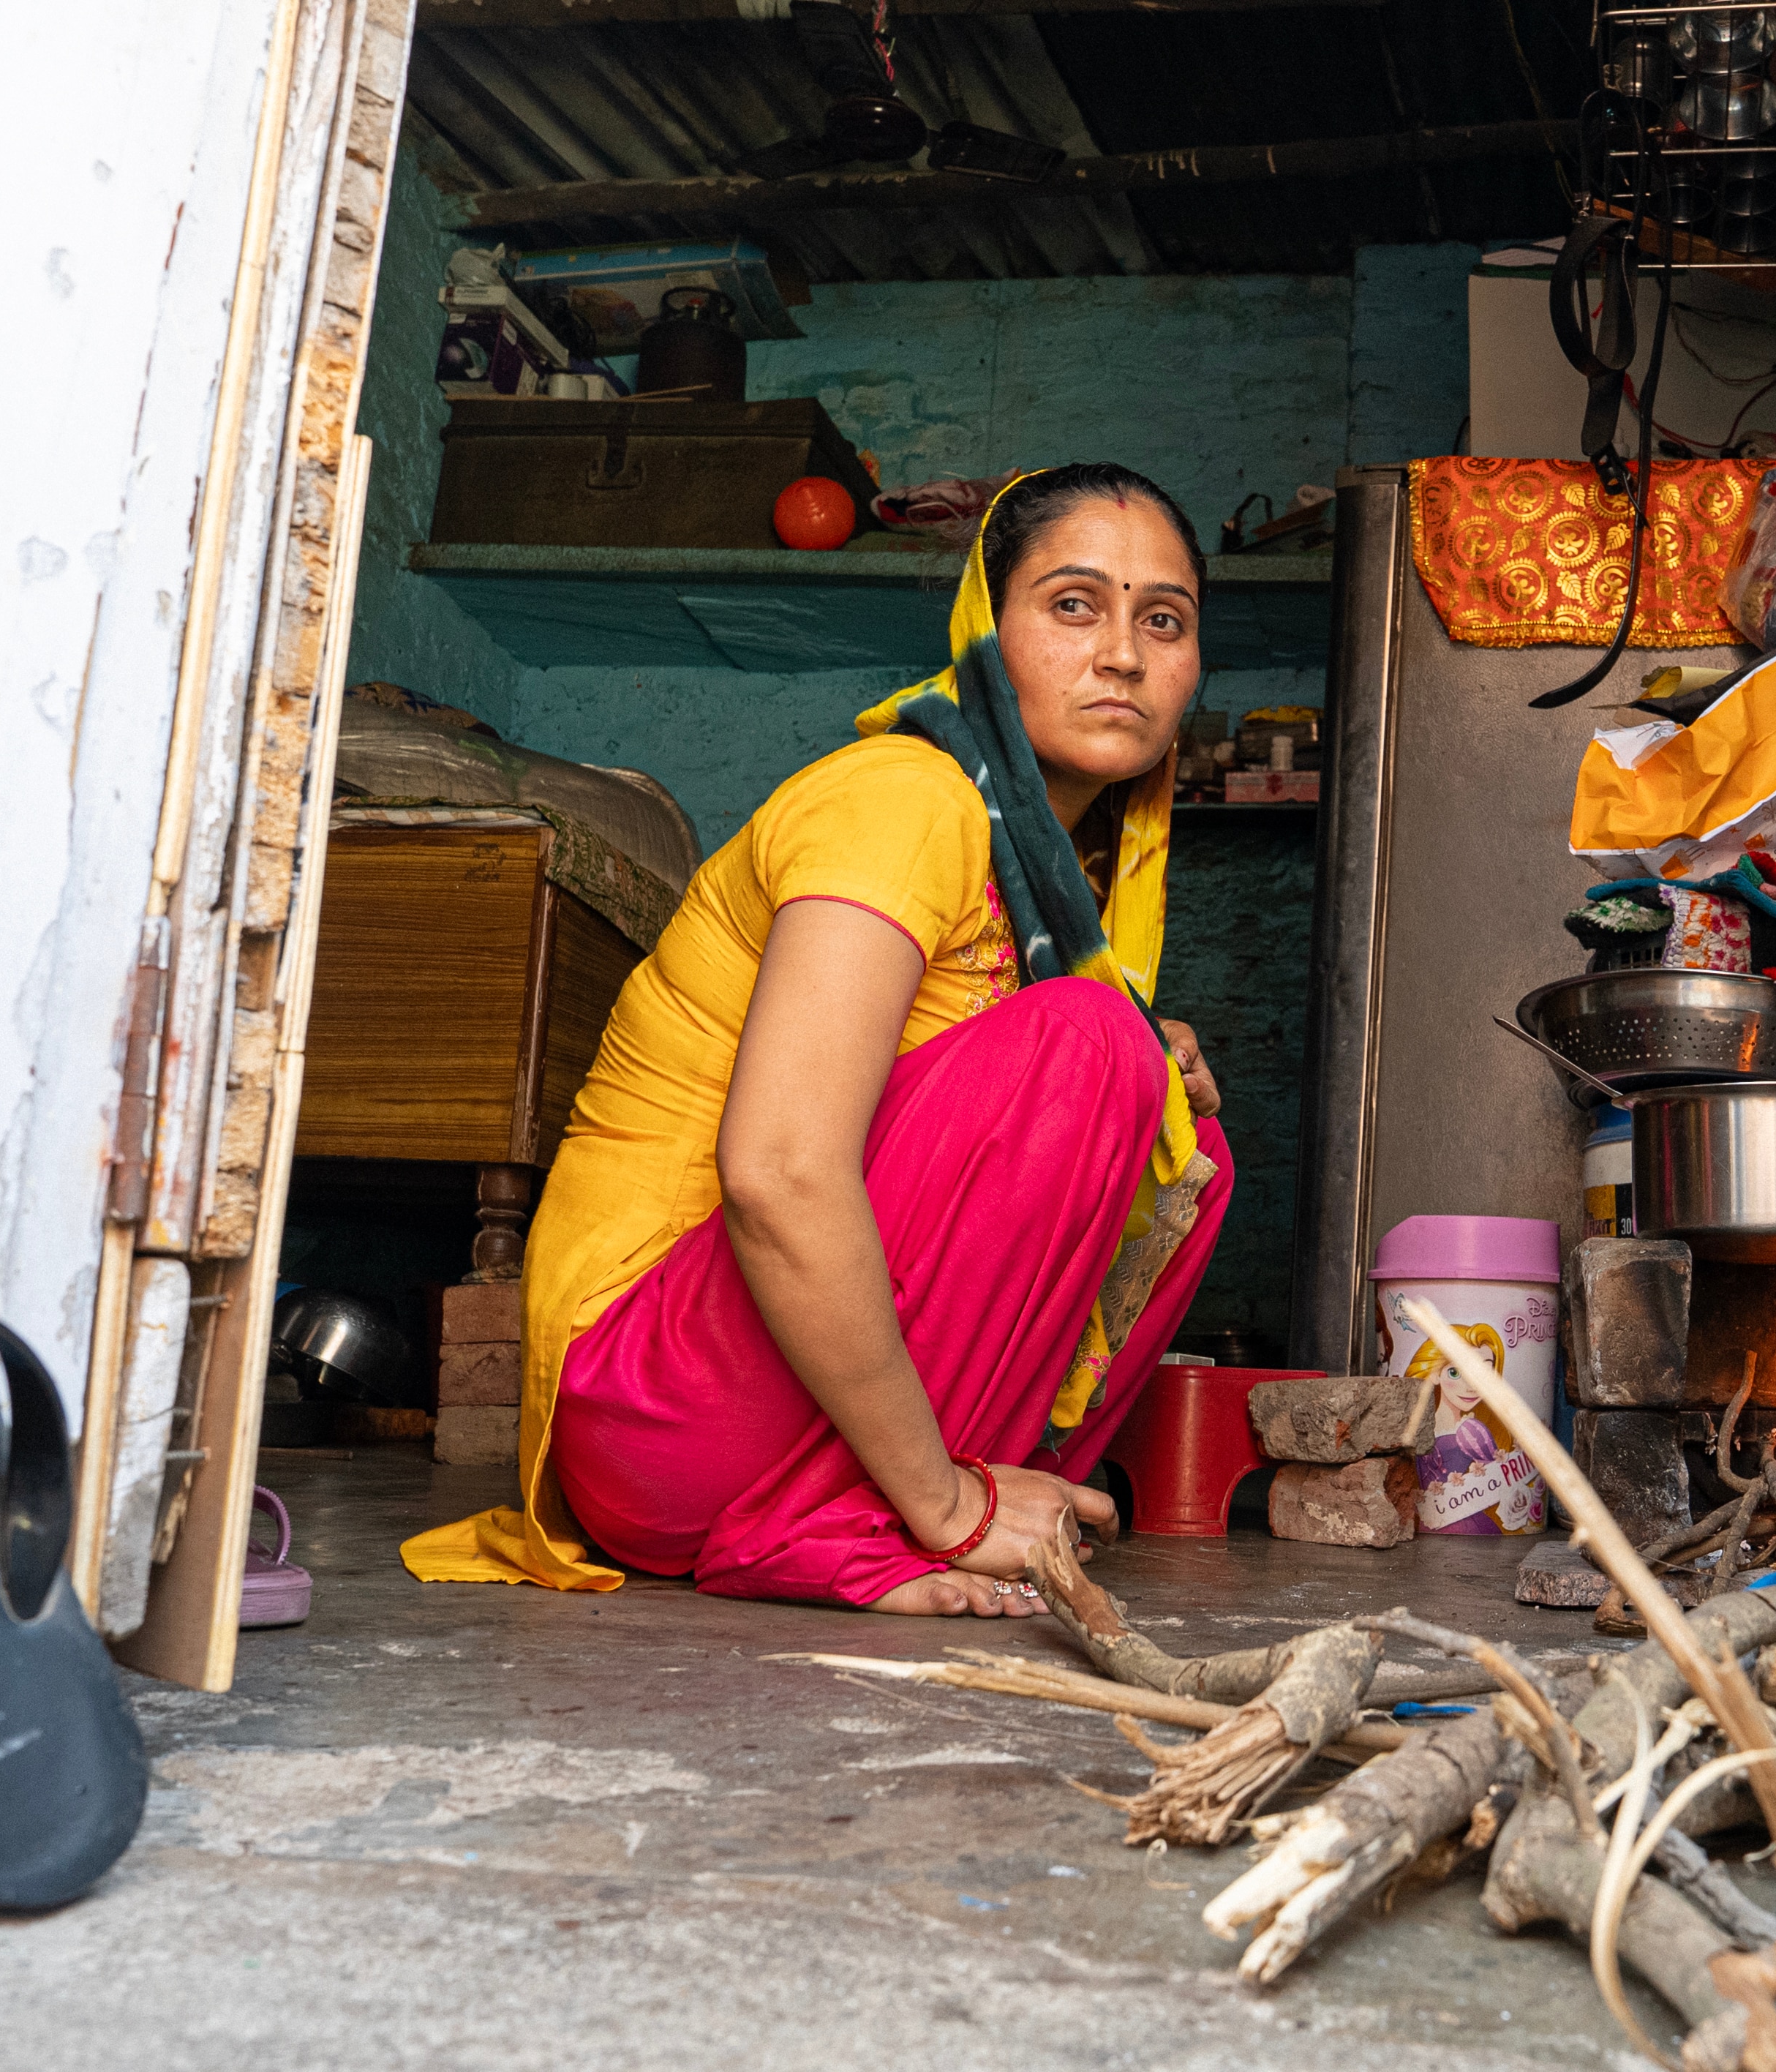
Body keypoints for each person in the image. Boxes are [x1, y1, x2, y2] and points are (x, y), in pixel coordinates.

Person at [402, 465, 1232, 1618]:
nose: (1125, 656)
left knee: (1181, 1134)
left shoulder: (1043, 875)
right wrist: (939, 1498)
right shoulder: (905, 800)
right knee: (1097, 1041)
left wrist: (1139, 1069)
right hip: (649, 1408)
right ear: (989, 629)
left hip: (758, 1409)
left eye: (1165, 620)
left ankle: (917, 1496)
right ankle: (896, 1512)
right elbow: (779, 1172)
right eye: (1074, 605)